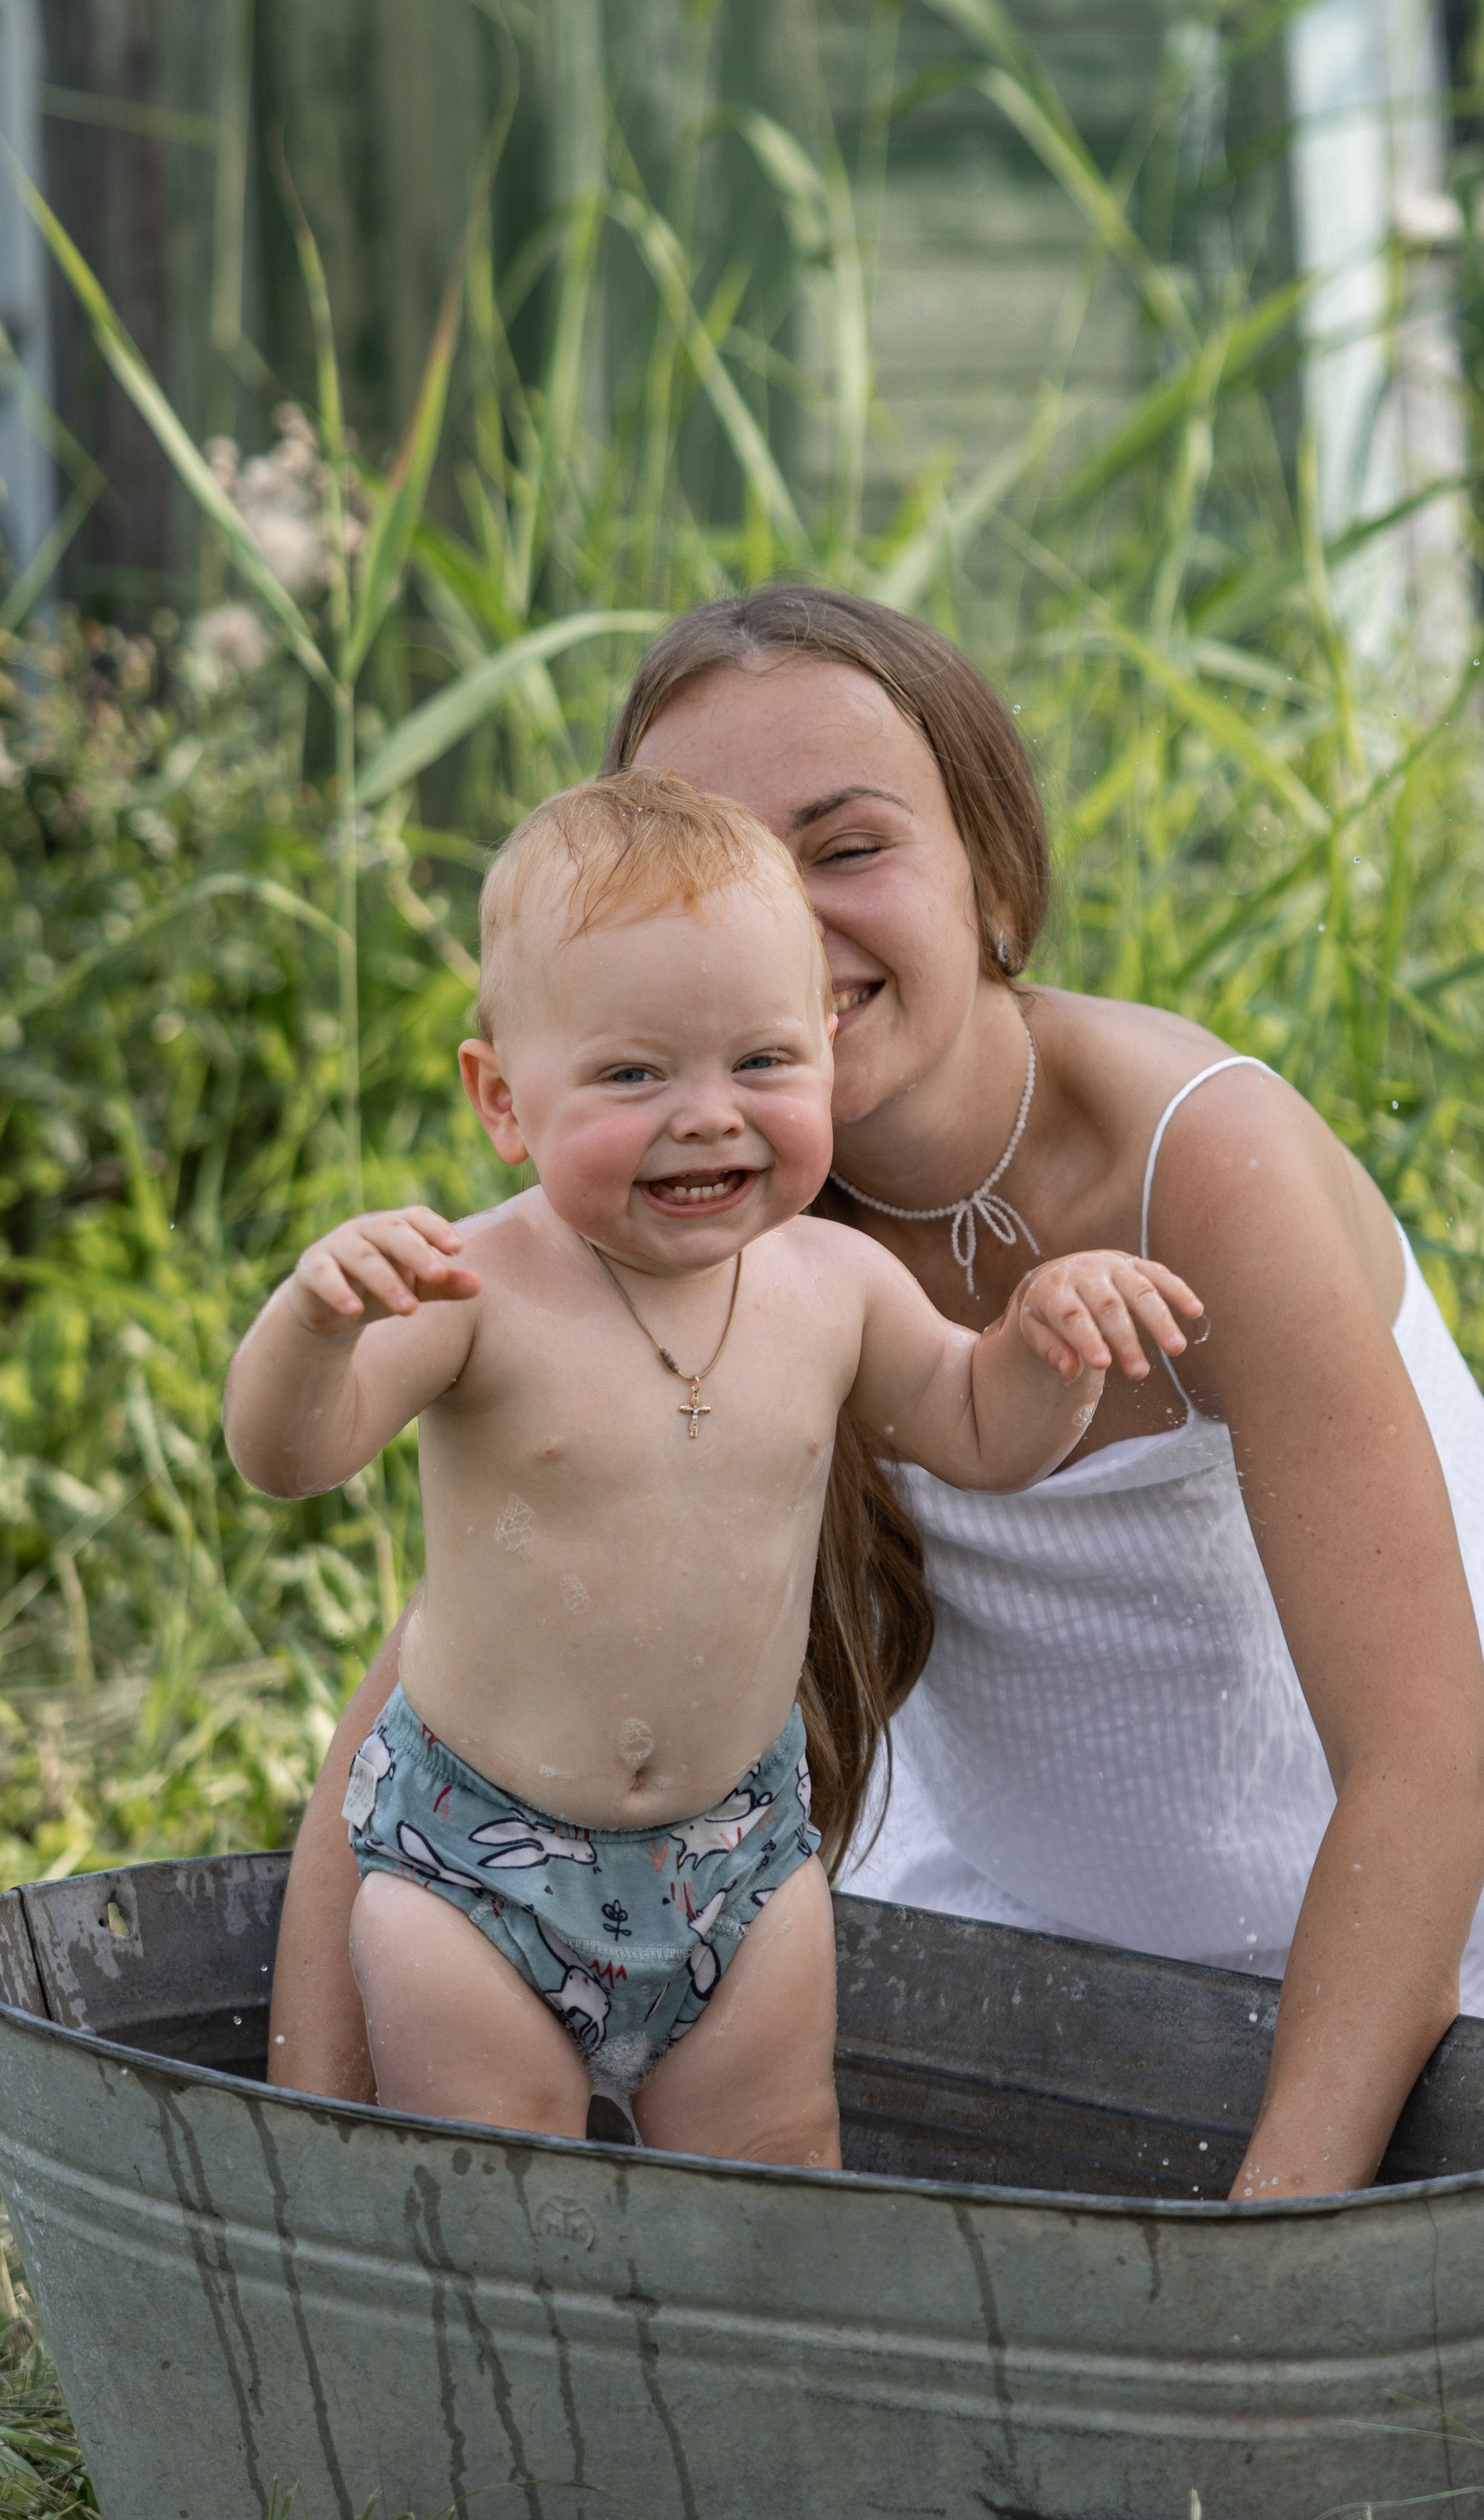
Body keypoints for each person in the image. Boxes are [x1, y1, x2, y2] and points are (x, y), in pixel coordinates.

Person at [267, 587, 1484, 2198]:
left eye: (847, 847)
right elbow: (452, 1673)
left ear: (993, 880)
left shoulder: (1201, 1163)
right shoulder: (708, 1204)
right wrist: (298, 2130)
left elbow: (1423, 1776)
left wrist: (1267, 2258)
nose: (787, 925)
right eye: (721, 866)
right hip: (1032, 1901)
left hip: (1389, 1917)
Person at [225, 771, 1197, 2162]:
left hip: (736, 1862)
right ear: (503, 1100)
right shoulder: (471, 1288)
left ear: (824, 1051)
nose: (706, 1115)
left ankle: (744, 2297)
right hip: (478, 1871)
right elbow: (289, 1459)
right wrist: (313, 1324)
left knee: (775, 2165)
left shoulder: (833, 1285)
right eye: (633, 1074)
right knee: (499, 2171)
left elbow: (982, 1430)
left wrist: (1048, 1342)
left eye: (761, 1062)